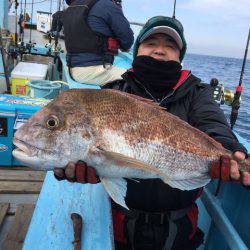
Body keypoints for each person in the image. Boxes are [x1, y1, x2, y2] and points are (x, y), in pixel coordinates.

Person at [54, 16, 250, 250]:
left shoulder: (197, 92)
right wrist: (91, 167)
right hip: (122, 223)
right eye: (150, 43)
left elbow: (212, 121)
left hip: (181, 226)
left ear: (180, 55)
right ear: (137, 51)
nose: (160, 50)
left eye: (170, 46)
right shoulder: (114, 91)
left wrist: (230, 150)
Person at [51, 0, 134, 86]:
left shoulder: (70, 8)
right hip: (93, 71)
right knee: (138, 81)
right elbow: (127, 40)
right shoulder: (106, 5)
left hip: (73, 69)